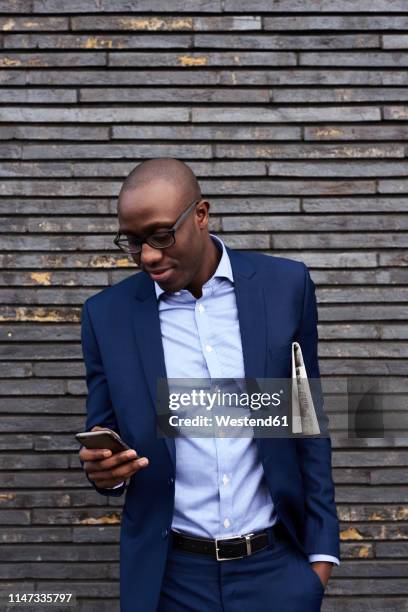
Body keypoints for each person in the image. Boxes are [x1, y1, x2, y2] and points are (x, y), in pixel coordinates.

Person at [79, 158, 340, 612]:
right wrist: (106, 474)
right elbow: (106, 439)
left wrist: (319, 560)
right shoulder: (107, 316)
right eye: (134, 242)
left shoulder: (285, 286)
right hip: (171, 580)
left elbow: (306, 421)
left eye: (161, 236)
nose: (148, 256)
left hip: (277, 570)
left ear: (201, 214)